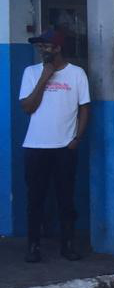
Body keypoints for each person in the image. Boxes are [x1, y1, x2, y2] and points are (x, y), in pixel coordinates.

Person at [18, 28, 90, 262]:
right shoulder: (31, 72)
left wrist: (77, 139)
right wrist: (44, 77)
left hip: (64, 148)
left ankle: (67, 245)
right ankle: (33, 247)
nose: (42, 50)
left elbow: (85, 108)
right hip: (35, 146)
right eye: (39, 46)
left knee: (65, 199)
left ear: (58, 48)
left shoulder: (77, 74)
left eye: (46, 46)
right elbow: (28, 107)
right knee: (35, 199)